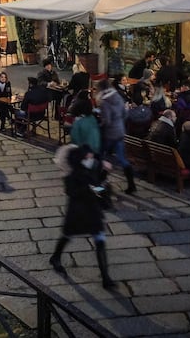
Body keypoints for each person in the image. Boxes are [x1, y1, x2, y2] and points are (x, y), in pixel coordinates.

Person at [49, 145, 115, 289]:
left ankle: (105, 277)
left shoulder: (90, 169)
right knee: (67, 236)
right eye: (88, 157)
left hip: (93, 211)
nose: (90, 159)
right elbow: (73, 192)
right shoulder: (71, 176)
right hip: (77, 212)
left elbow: (97, 184)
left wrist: (104, 174)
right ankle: (55, 257)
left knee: (100, 241)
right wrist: (91, 189)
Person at [96, 78, 136, 194]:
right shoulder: (118, 97)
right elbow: (124, 114)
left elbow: (106, 121)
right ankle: (131, 184)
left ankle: (100, 183)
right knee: (122, 158)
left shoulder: (104, 102)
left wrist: (100, 124)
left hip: (109, 134)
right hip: (120, 130)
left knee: (100, 156)